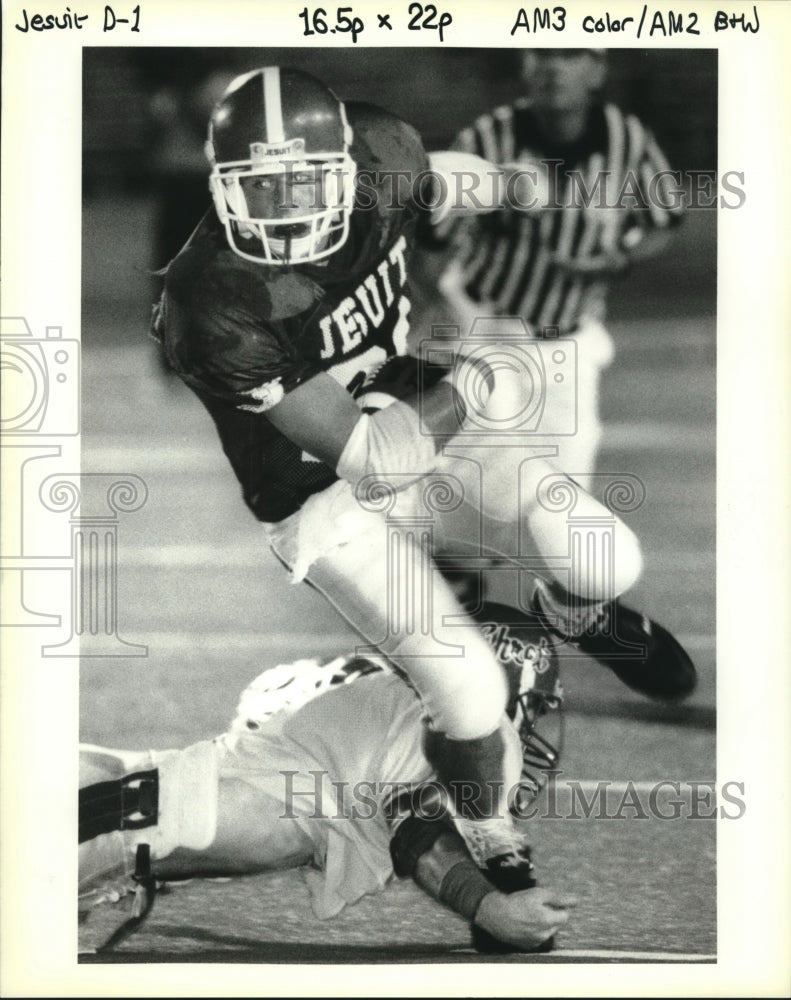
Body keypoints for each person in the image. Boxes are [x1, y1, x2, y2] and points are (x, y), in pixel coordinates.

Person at [150, 65, 695, 888]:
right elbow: (372, 459)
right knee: (471, 695)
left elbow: (450, 179)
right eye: (264, 191)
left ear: (346, 166)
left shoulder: (383, 155)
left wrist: (512, 184)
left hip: (416, 400)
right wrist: (475, 378)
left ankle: (569, 612)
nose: (290, 209)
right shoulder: (211, 304)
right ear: (222, 186)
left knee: (604, 560)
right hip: (324, 497)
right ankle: (484, 823)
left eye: (305, 181)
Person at [79, 603, 574, 955]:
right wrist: (492, 910)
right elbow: (416, 829)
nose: (532, 725)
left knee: (79, 794)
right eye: (533, 705)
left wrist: (501, 900)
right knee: (79, 836)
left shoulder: (393, 690)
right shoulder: (479, 727)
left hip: (252, 771)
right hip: (278, 795)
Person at [430, 49, 684, 489]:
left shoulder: (626, 138)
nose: (554, 67)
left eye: (570, 54)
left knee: (564, 492)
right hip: (484, 329)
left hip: (568, 339)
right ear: (525, 65)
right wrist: (441, 311)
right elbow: (430, 240)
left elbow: (664, 221)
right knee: (476, 488)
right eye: (542, 54)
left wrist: (619, 259)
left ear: (597, 69)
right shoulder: (487, 139)